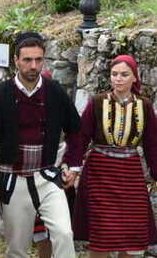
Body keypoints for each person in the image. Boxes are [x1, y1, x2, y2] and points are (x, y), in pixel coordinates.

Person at [0, 32, 80, 258]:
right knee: (18, 248)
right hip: (13, 179)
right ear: (16, 61)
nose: (34, 65)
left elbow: (75, 130)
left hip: (48, 177)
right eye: (27, 60)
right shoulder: (0, 95)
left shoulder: (54, 91)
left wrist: (73, 164)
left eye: (39, 60)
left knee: (63, 233)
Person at [64, 55, 157, 256]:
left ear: (135, 77)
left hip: (130, 175)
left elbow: (152, 144)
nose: (118, 79)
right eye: (114, 74)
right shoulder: (97, 102)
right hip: (100, 173)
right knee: (102, 233)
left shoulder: (145, 105)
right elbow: (81, 137)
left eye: (124, 74)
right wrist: (72, 165)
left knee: (131, 232)